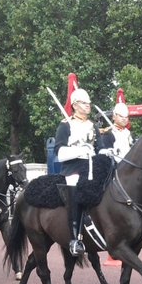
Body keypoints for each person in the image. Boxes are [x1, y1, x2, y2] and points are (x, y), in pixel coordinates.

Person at [54, 88, 105, 256]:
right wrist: (79, 150)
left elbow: (101, 149)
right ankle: (75, 238)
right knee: (75, 188)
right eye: (84, 103)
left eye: (89, 103)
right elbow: (59, 153)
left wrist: (108, 153)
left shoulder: (93, 126)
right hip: (73, 169)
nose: (88, 105)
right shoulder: (65, 125)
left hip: (91, 167)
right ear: (75, 105)